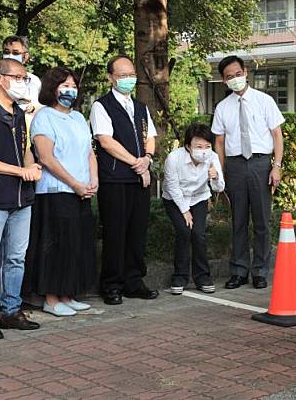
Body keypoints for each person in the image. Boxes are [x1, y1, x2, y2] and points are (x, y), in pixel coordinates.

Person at [0, 58, 42, 340]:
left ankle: (12, 311)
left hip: (21, 198)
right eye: (17, 77)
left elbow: (26, 150)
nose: (22, 83)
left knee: (16, 257)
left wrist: (32, 166)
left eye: (24, 78)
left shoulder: (22, 115)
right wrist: (20, 171)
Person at [22, 67, 97, 317]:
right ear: (52, 88)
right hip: (55, 191)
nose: (70, 90)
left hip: (81, 191)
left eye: (74, 86)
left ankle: (68, 293)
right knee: (55, 246)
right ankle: (52, 299)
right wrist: (74, 183)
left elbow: (89, 152)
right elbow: (46, 157)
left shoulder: (78, 117)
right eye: (65, 85)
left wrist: (92, 180)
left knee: (76, 245)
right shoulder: (44, 117)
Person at [89, 54, 158, 305]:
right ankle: (111, 284)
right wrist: (136, 162)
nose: (128, 79)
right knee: (115, 233)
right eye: (122, 75)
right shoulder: (102, 105)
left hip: (140, 179)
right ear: (110, 78)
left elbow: (150, 136)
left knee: (137, 232)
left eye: (131, 75)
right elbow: (105, 141)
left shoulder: (140, 107)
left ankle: (133, 281)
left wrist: (147, 159)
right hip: (115, 178)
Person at [212, 55, 284, 290]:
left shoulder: (264, 101)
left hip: (261, 164)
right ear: (223, 80)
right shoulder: (222, 108)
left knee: (262, 220)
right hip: (235, 166)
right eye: (229, 77)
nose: (235, 79)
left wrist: (277, 166)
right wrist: (220, 173)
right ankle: (239, 270)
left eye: (237, 74)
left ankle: (260, 271)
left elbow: (277, 136)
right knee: (238, 220)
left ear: (246, 72)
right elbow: (220, 143)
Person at [162, 123, 225, 295]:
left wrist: (216, 177)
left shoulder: (212, 157)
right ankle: (180, 277)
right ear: (188, 146)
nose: (203, 150)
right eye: (199, 146)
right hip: (175, 199)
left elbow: (219, 188)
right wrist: (184, 210)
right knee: (184, 231)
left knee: (199, 234)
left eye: (207, 146)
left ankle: (202, 277)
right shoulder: (174, 158)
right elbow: (172, 187)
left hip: (199, 198)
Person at [0, 36, 41, 115]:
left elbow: (37, 106)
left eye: (15, 53)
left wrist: (33, 109)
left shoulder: (34, 81)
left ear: (25, 56)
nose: (10, 56)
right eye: (6, 52)